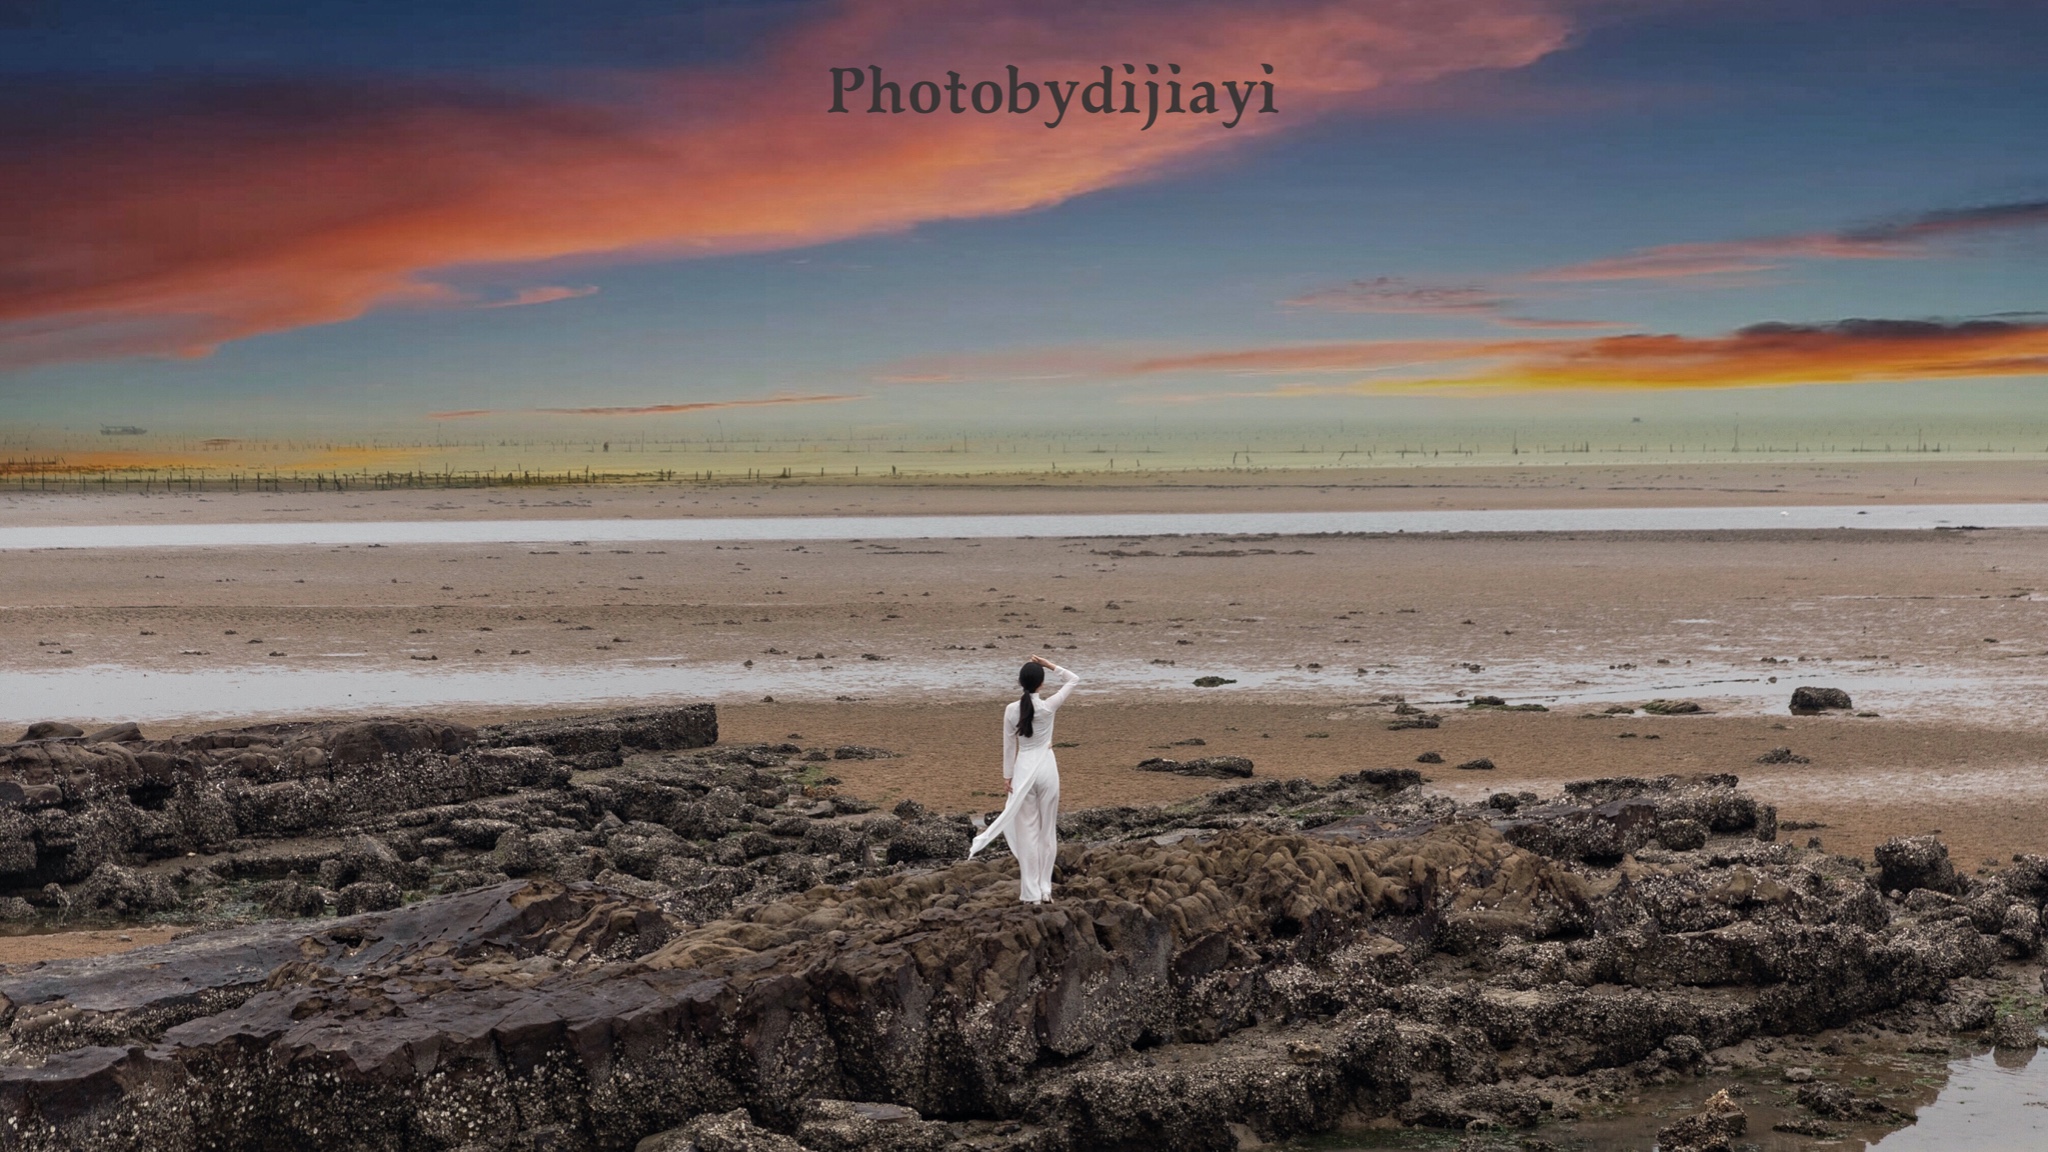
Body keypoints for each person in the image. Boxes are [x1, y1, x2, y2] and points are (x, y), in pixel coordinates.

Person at [968, 655, 1080, 903]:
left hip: (1024, 769)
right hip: (1047, 767)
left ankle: (1031, 893)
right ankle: (1045, 888)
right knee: (1047, 831)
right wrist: (1050, 665)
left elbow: (1009, 746)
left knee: (1028, 832)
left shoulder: (1010, 710)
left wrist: (1007, 776)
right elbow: (1074, 679)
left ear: (1020, 682)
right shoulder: (1048, 706)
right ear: (1040, 684)